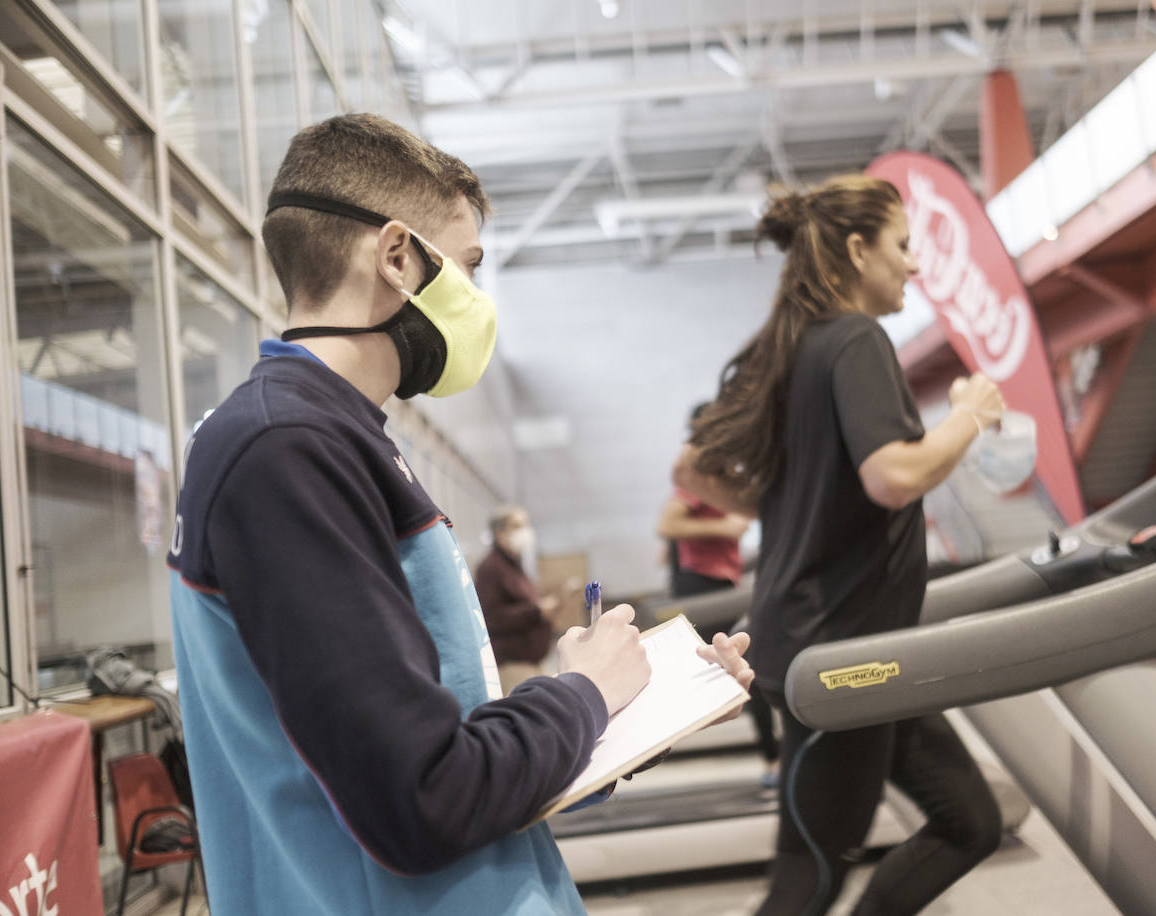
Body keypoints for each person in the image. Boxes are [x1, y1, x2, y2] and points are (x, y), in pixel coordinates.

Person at [166, 113, 754, 915]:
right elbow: (422, 799)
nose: (475, 300)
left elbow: (444, 754)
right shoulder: (285, 451)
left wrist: (632, 705)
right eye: (468, 268)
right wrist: (580, 694)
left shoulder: (330, 438)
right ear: (399, 257)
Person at [675, 174, 1006, 916]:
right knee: (808, 877)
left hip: (867, 652)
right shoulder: (855, 338)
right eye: (902, 247)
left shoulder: (792, 346)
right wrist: (968, 417)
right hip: (843, 662)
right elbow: (894, 476)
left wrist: (794, 510)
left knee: (970, 822)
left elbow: (690, 466)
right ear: (859, 251)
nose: (914, 265)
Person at [657, 404, 780, 785]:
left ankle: (774, 757)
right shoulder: (698, 477)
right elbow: (668, 523)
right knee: (748, 666)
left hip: (720, 582)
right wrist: (725, 527)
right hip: (703, 585)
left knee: (745, 667)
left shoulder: (721, 476)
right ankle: (774, 759)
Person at [476, 505, 560, 695]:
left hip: (531, 662)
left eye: (526, 525)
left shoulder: (513, 565)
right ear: (500, 533)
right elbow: (491, 618)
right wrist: (536, 611)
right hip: (513, 665)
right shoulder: (491, 568)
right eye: (517, 526)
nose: (525, 531)